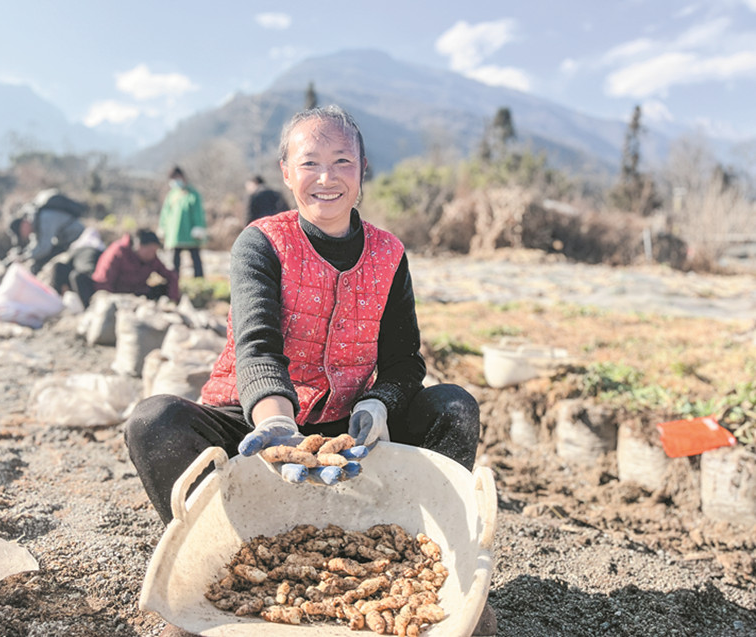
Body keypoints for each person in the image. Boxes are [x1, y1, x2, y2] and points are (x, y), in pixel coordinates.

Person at [125, 106, 490, 636]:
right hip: (257, 421)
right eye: (310, 162)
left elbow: (404, 361)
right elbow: (257, 348)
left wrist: (378, 405)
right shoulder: (262, 242)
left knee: (453, 406)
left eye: (342, 161)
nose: (326, 177)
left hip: (347, 427)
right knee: (154, 422)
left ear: (362, 171)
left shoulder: (388, 253)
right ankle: (222, 554)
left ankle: (426, 558)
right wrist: (276, 425)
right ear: (286, 172)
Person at [71, 228, 179, 308]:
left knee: (162, 288)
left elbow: (171, 276)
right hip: (114, 295)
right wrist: (110, 304)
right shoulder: (118, 252)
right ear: (140, 246)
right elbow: (104, 281)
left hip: (135, 294)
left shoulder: (151, 259)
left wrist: (173, 300)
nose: (153, 254)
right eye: (151, 251)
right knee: (78, 278)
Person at [8, 189, 87, 274]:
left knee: (40, 264)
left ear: (23, 225)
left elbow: (44, 248)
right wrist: (23, 253)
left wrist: (24, 258)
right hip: (64, 240)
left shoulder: (44, 218)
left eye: (21, 234)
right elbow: (36, 244)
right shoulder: (35, 218)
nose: (24, 236)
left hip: (76, 237)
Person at [158, 167, 206, 278]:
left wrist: (198, 227)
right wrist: (162, 227)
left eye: (177, 178)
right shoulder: (171, 195)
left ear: (182, 177)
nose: (175, 182)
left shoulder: (193, 194)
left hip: (190, 231)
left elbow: (198, 212)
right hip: (174, 232)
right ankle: (174, 279)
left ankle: (199, 279)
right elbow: (165, 212)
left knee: (195, 256)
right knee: (175, 258)